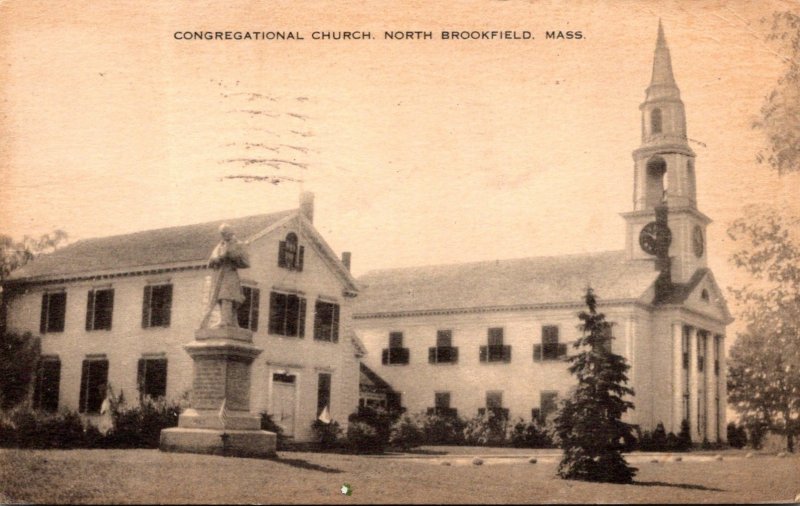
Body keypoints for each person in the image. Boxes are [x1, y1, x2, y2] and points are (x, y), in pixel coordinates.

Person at [201, 224, 250, 328]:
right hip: (218, 274)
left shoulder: (239, 245)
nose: (224, 235)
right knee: (219, 297)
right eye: (222, 233)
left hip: (230, 273)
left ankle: (226, 321)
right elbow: (210, 262)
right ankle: (226, 320)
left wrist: (231, 256)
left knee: (227, 296)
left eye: (226, 232)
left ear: (231, 232)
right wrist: (217, 259)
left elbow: (246, 263)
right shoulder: (218, 246)